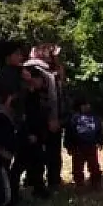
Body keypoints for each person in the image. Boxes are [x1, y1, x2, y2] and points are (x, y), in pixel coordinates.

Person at [25, 44, 66, 192]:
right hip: (41, 120)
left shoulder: (51, 70)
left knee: (53, 152)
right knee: (39, 152)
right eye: (53, 54)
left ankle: (53, 179)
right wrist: (51, 118)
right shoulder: (33, 70)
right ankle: (36, 182)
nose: (56, 57)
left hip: (53, 118)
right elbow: (43, 99)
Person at [9, 66, 49, 201]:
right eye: (38, 79)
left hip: (37, 134)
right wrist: (27, 134)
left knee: (38, 163)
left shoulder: (38, 95)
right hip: (25, 135)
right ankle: (12, 193)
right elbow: (21, 117)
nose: (40, 81)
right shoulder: (22, 95)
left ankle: (38, 188)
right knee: (19, 165)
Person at [63, 96, 103, 188]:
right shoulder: (73, 118)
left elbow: (99, 129)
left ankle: (96, 181)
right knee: (77, 167)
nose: (87, 106)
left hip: (91, 146)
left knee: (94, 166)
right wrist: (68, 146)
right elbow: (68, 133)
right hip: (77, 147)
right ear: (79, 106)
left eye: (88, 104)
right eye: (84, 105)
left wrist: (101, 141)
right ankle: (79, 183)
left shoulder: (94, 117)